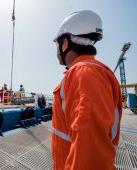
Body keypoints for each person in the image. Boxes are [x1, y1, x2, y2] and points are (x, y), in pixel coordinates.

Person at [51, 10, 122, 170]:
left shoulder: (85, 74)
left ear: (65, 43)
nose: (57, 49)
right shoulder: (88, 72)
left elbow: (89, 150)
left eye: (58, 43)